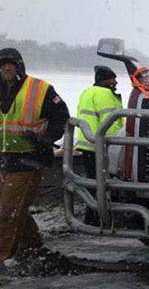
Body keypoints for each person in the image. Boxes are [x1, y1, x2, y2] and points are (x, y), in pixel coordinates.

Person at [0, 48, 70, 261]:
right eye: (2, 64)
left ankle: (3, 257)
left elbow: (61, 117)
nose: (6, 68)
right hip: (3, 158)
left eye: (10, 64)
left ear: (19, 66)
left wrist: (45, 139)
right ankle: (30, 243)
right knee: (11, 206)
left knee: (8, 211)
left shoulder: (40, 89)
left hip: (29, 158)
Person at [75, 65, 124, 225]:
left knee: (94, 181)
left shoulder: (87, 92)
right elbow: (109, 122)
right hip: (101, 146)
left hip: (87, 144)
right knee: (103, 183)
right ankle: (100, 217)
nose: (115, 82)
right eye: (112, 78)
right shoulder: (104, 94)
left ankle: (91, 215)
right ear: (105, 80)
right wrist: (115, 144)